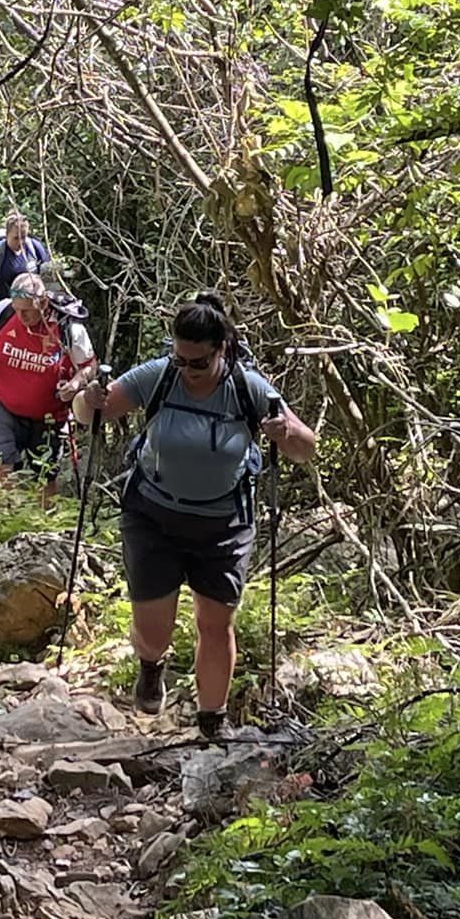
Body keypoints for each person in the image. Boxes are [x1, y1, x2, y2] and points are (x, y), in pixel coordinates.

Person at [87, 290, 316, 740]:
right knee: (154, 630)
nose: (187, 371)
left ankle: (213, 725)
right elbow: (90, 413)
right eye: (180, 361)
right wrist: (87, 398)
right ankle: (151, 666)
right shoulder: (160, 376)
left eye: (198, 363)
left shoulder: (249, 388)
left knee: (216, 623)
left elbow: (304, 449)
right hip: (153, 515)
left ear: (222, 351)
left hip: (223, 524)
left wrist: (284, 430)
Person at [0, 273, 96, 505]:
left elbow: (89, 366)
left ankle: (41, 528)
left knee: (45, 477)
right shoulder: (3, 312)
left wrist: (75, 384)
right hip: (6, 407)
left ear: (43, 303)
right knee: (0, 462)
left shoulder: (67, 327)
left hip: (49, 416)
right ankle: (6, 519)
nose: (21, 316)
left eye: (27, 311)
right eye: (17, 309)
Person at [0, 210, 50, 309]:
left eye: (23, 237)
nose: (21, 242)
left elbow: (47, 276)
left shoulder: (34, 248)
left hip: (30, 307)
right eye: (16, 238)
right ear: (7, 235)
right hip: (3, 308)